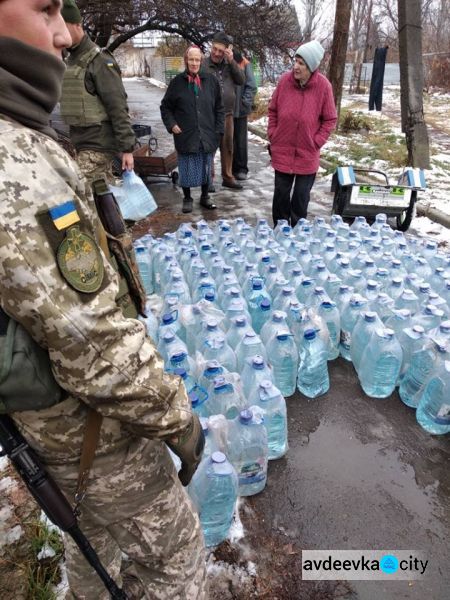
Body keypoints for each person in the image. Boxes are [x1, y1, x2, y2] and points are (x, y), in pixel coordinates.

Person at [0, 2, 208, 599]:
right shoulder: (16, 163)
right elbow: (93, 344)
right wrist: (178, 419)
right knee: (177, 558)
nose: (64, 34)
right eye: (46, 10)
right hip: (90, 430)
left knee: (91, 538)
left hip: (48, 431)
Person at [60, 0, 136, 185]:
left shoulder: (99, 60)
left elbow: (117, 105)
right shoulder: (71, 59)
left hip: (98, 145)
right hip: (80, 143)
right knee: (101, 196)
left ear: (77, 24)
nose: (59, 31)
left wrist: (127, 149)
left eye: (64, 26)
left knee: (73, 188)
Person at [268, 40, 337, 227]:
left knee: (300, 197)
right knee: (281, 195)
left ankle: (297, 234)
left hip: (307, 152)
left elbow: (330, 119)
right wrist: (273, 134)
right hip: (282, 148)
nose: (295, 67)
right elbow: (273, 109)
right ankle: (280, 232)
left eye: (301, 63)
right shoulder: (284, 81)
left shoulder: (323, 87)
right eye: (296, 61)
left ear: (311, 67)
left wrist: (316, 141)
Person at [160, 45, 224, 214]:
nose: (194, 63)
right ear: (185, 61)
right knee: (187, 167)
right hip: (186, 134)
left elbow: (219, 107)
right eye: (191, 59)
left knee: (205, 166)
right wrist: (172, 124)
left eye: (197, 60)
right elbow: (165, 107)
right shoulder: (177, 83)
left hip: (207, 133)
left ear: (201, 61)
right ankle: (187, 198)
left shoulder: (211, 81)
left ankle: (204, 196)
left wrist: (218, 130)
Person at [203, 31, 245, 190]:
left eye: (221, 51)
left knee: (228, 146)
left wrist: (232, 61)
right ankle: (208, 180)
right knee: (209, 148)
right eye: (214, 49)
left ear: (226, 51)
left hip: (227, 114)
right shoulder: (204, 65)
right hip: (209, 115)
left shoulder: (229, 65)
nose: (216, 53)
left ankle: (228, 177)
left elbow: (241, 80)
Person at [232, 49, 257, 181]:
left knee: (240, 141)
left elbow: (252, 86)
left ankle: (241, 168)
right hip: (227, 110)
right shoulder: (223, 62)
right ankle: (230, 169)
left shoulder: (244, 63)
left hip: (240, 110)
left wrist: (244, 103)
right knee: (227, 142)